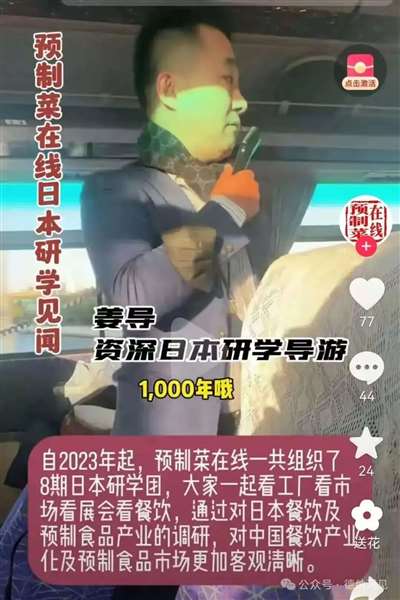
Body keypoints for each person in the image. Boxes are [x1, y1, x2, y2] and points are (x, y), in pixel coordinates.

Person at [81, 7, 265, 440]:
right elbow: (131, 300)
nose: (241, 100)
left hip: (251, 424)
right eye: (227, 80)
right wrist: (227, 211)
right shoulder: (116, 189)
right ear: (170, 90)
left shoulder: (241, 198)